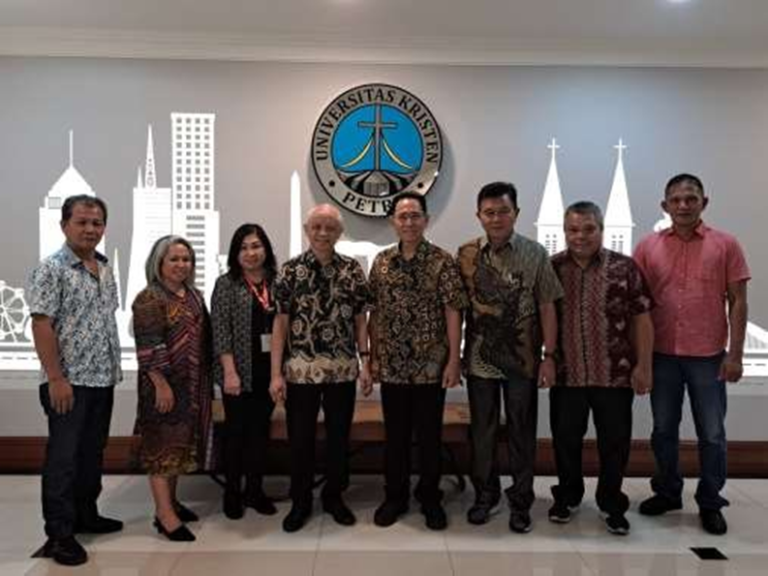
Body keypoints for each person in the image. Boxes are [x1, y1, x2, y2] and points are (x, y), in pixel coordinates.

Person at [634, 174, 750, 535]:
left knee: (712, 434)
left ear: (704, 202)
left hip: (709, 357)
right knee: (663, 430)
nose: (683, 205)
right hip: (662, 355)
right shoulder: (647, 247)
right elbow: (637, 307)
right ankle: (668, 492)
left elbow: (738, 302)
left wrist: (735, 355)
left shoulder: (726, 245)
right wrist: (640, 359)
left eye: (691, 198)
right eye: (676, 199)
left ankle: (711, 502)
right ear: (664, 205)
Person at [457, 181, 563, 533]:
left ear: (516, 213)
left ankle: (521, 502)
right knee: (482, 432)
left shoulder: (535, 253)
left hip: (524, 361)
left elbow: (547, 306)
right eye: (489, 212)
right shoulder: (466, 254)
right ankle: (485, 496)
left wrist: (549, 355)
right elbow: (459, 310)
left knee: (521, 432)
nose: (496, 218)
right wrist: (457, 355)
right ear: (479, 216)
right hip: (479, 360)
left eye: (503, 211)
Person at [28, 194, 123, 566]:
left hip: (102, 378)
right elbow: (42, 324)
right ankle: (59, 535)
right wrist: (55, 378)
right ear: (64, 225)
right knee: (63, 460)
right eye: (82, 222)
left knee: (91, 453)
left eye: (96, 223)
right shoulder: (51, 269)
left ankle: (86, 514)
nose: (90, 229)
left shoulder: (105, 267)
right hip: (68, 382)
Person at [549, 201, 654, 535]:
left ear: (601, 229)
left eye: (588, 229)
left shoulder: (625, 268)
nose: (580, 236)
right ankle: (568, 497)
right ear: (565, 231)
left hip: (615, 375)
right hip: (567, 375)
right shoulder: (552, 268)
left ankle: (611, 503)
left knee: (615, 443)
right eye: (573, 229)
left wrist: (644, 366)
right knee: (565, 440)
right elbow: (541, 320)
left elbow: (642, 318)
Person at [368, 192, 467, 530]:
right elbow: (374, 312)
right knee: (394, 437)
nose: (408, 222)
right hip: (393, 367)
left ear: (426, 220)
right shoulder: (381, 262)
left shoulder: (442, 261)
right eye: (402, 216)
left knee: (429, 437)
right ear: (392, 221)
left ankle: (429, 498)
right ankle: (394, 497)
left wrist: (454, 360)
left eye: (415, 216)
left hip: (431, 367)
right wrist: (373, 357)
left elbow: (453, 312)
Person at [270, 204, 371, 533]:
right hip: (300, 372)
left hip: (342, 371)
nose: (323, 233)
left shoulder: (352, 270)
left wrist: (366, 362)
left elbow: (361, 320)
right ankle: (300, 501)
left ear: (339, 233)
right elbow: (280, 324)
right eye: (317, 227)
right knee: (300, 439)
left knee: (339, 437)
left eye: (330, 227)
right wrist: (275, 373)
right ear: (306, 230)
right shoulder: (289, 271)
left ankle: (334, 496)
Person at [132, 235, 214, 542]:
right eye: (174, 259)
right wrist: (161, 385)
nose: (181, 264)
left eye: (186, 259)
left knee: (179, 447)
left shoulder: (193, 295)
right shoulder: (149, 298)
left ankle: (172, 503)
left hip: (192, 385)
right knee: (161, 449)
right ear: (159, 263)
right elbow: (149, 345)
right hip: (163, 386)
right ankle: (164, 516)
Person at [211, 223, 279, 520]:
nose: (251, 253)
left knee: (260, 434)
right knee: (236, 434)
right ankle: (232, 493)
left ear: (266, 249)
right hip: (237, 373)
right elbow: (220, 330)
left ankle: (255, 491)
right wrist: (229, 372)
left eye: (256, 246)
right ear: (235, 254)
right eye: (244, 248)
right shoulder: (226, 284)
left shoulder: (278, 281)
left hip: (269, 371)